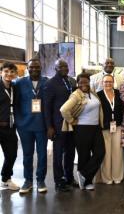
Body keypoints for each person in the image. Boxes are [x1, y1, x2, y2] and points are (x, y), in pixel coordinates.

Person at [60, 73, 105, 190]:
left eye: (86, 82)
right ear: (77, 84)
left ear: (89, 82)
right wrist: (72, 120)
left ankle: (83, 173)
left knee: (100, 152)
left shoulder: (92, 91)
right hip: (82, 128)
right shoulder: (76, 95)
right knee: (84, 155)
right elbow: (64, 109)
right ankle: (87, 182)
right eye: (81, 82)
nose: (84, 84)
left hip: (95, 127)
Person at [14, 59, 48, 193]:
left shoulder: (47, 83)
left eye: (37, 67)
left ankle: (40, 180)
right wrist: (19, 121)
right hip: (25, 126)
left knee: (42, 154)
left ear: (41, 68)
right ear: (27, 68)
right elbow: (16, 104)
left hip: (42, 125)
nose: (34, 70)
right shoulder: (19, 83)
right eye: (31, 67)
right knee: (27, 154)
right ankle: (28, 180)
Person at [43, 59, 78, 192]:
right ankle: (59, 180)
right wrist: (49, 127)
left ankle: (69, 177)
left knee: (70, 152)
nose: (64, 69)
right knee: (58, 153)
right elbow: (47, 107)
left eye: (66, 66)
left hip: (72, 123)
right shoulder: (50, 84)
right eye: (61, 67)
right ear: (55, 69)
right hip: (58, 124)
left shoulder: (71, 81)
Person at [97, 74, 124, 185]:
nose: (108, 83)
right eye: (106, 81)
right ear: (102, 83)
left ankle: (117, 176)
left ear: (113, 83)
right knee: (106, 154)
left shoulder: (118, 93)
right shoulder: (98, 95)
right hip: (104, 128)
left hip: (117, 127)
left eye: (110, 81)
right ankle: (107, 178)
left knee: (118, 153)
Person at [0, 62, 20, 192]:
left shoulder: (15, 87)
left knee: (11, 154)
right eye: (6, 71)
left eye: (12, 71)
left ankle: (6, 179)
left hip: (10, 127)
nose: (9, 74)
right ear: (1, 72)